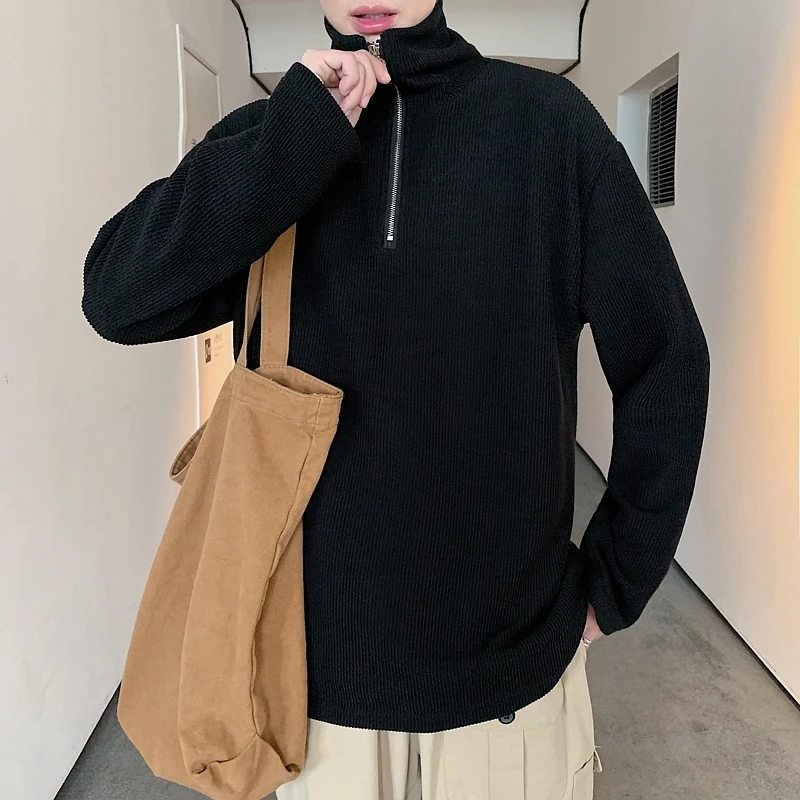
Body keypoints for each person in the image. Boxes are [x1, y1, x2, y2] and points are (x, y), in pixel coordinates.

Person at [82, 0, 711, 797]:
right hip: (307, 677)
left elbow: (666, 359)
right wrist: (294, 141)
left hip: (512, 672)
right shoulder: (272, 135)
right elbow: (118, 300)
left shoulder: (550, 126)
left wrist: (617, 581)